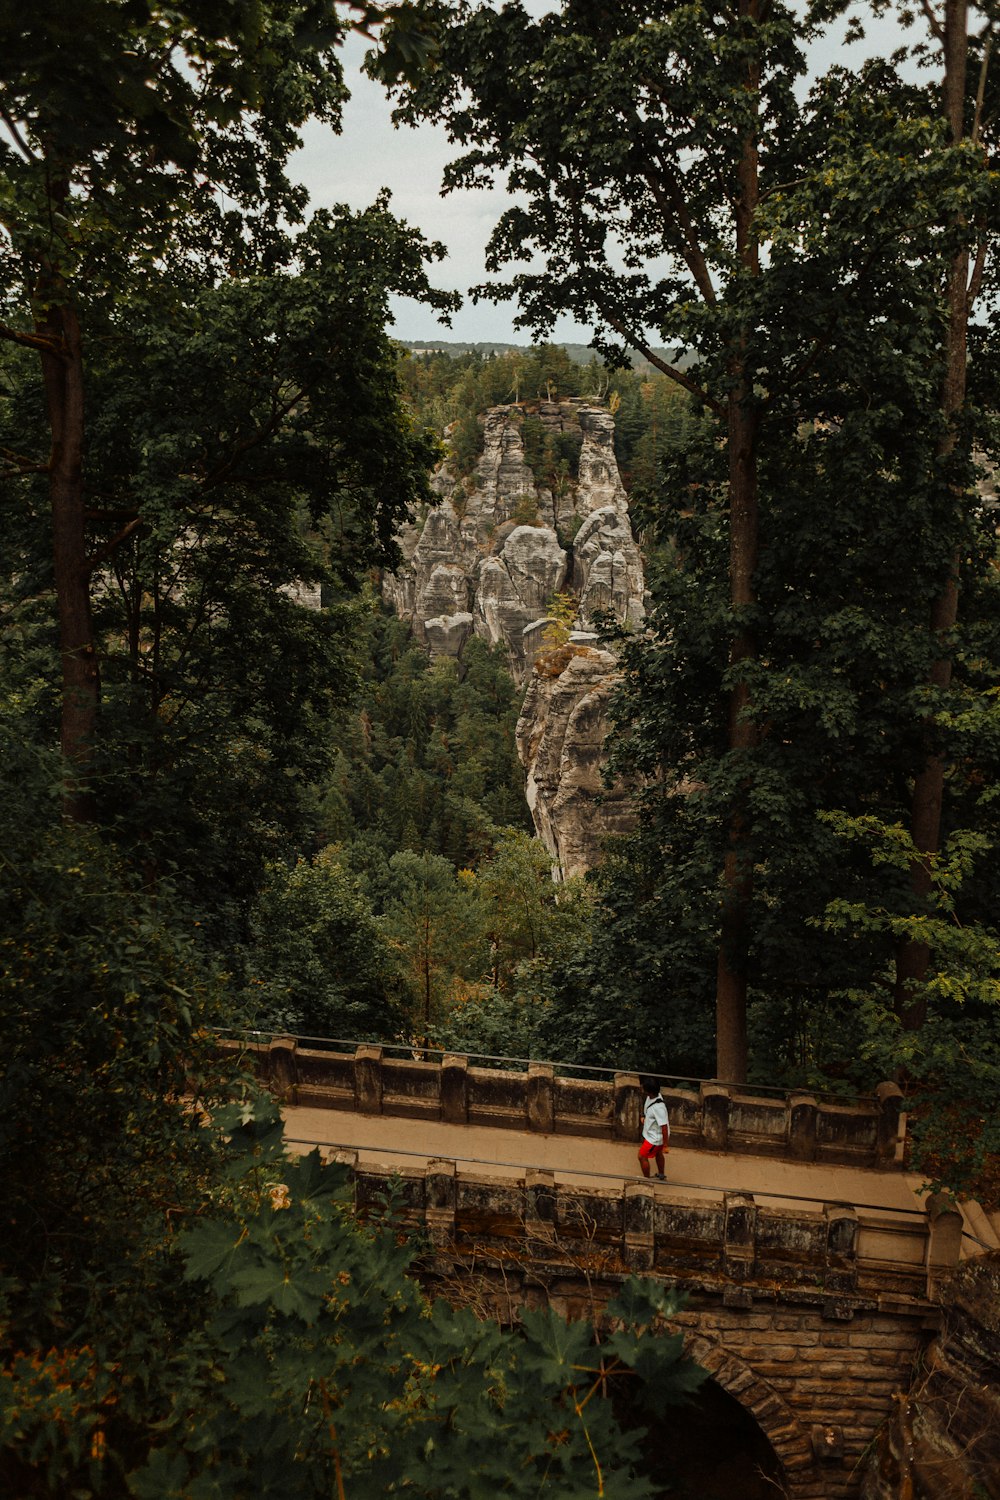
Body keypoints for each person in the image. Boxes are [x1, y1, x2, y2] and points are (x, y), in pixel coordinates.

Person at [638, 1077, 670, 1179]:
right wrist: (644, 1117)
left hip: (655, 1139)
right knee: (658, 1153)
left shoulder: (659, 1108)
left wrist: (665, 1144)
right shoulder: (653, 1097)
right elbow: (648, 1109)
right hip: (655, 1135)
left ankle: (646, 1180)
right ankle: (661, 1174)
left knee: (642, 1156)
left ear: (649, 1092)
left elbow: (664, 1126)